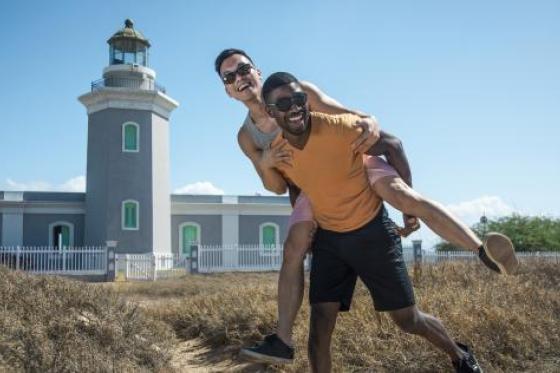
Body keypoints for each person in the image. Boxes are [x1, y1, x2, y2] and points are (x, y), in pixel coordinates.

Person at [214, 49, 518, 364]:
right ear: (226, 89)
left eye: (243, 69)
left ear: (257, 70)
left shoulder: (300, 93)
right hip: (312, 187)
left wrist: (369, 120)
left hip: (352, 161)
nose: (239, 78)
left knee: (403, 197)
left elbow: (355, 119)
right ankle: (283, 340)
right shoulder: (248, 137)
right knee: (294, 252)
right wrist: (265, 162)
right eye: (230, 76)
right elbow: (277, 185)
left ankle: (482, 250)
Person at [262, 71, 485, 372]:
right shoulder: (280, 152)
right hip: (330, 240)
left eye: (299, 98)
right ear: (270, 111)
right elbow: (295, 186)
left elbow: (393, 144)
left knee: (408, 320)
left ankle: (459, 355)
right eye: (284, 102)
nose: (294, 106)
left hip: (372, 233)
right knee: (318, 330)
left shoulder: (339, 128)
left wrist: (408, 208)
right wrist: (310, 231)